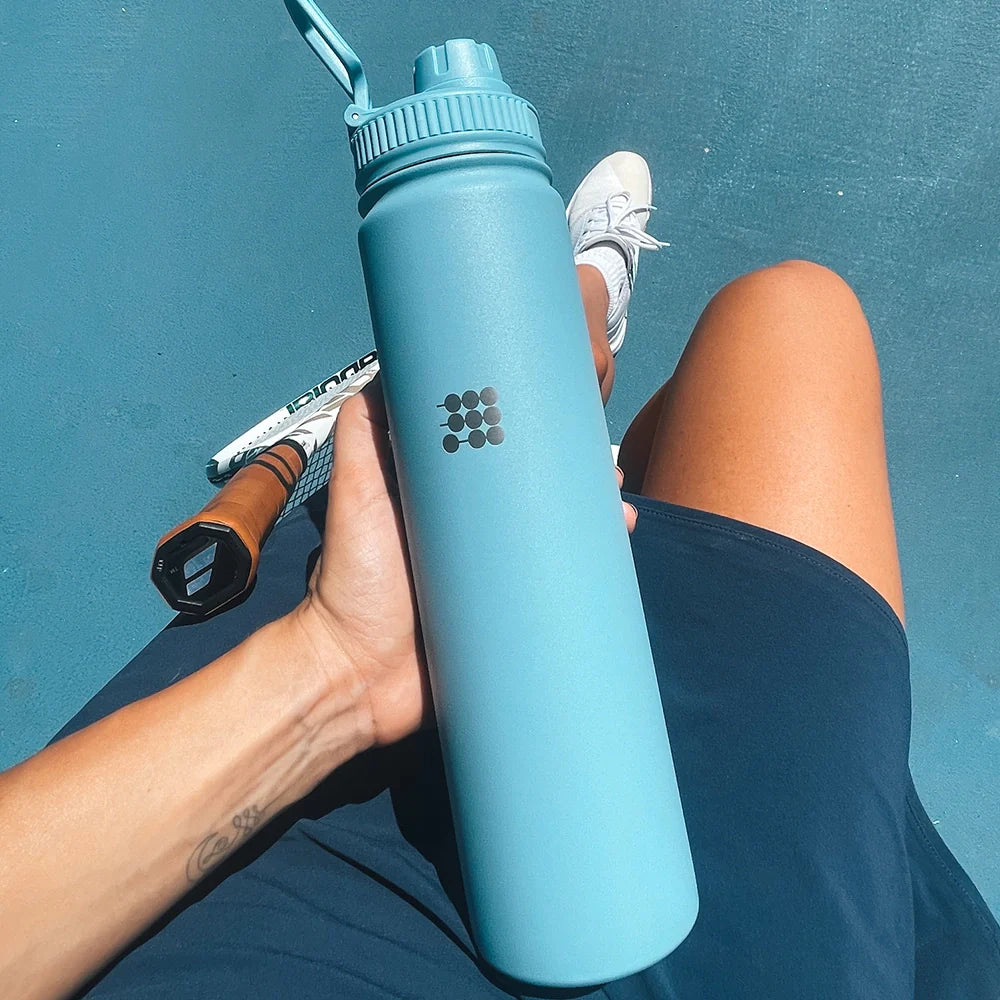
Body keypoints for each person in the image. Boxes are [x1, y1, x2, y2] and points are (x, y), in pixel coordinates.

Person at [1, 153, 997, 1000]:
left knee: (745, 334)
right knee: (790, 315)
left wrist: (339, 664)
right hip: (756, 948)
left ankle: (572, 332)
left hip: (260, 850)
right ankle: (578, 328)